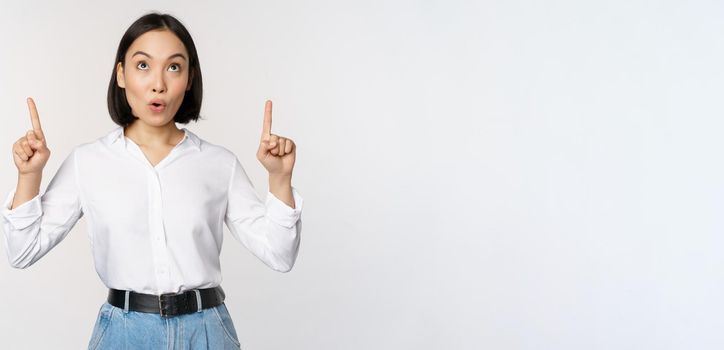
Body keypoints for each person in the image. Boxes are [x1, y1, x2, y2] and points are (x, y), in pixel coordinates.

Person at [1, 12, 303, 349]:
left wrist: (279, 179)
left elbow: (280, 255)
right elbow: (22, 252)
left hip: (206, 333)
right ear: (121, 74)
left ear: (189, 79)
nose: (158, 83)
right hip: (124, 334)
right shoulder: (88, 162)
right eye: (143, 65)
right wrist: (29, 176)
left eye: (174, 67)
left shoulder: (219, 164)